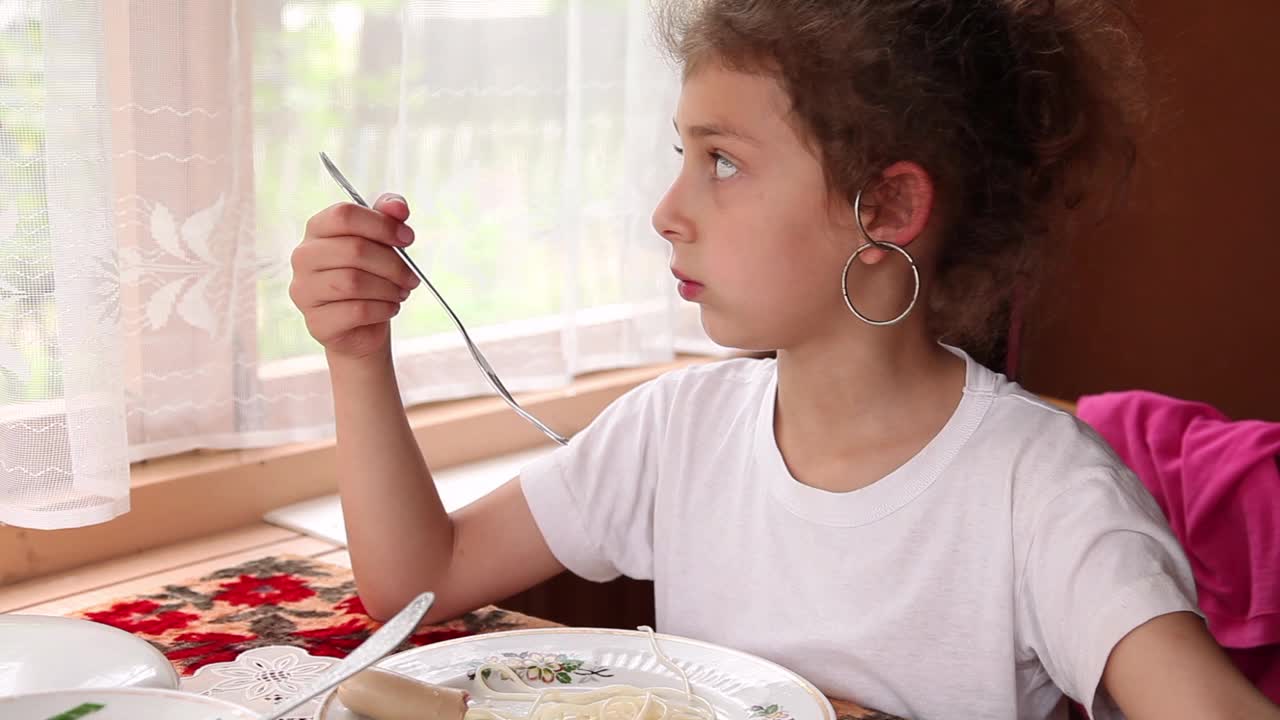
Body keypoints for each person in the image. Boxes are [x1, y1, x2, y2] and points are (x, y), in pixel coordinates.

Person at [289, 1, 1280, 717]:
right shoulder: (674, 431)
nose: (666, 211)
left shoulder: (1043, 488)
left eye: (719, 161)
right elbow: (415, 579)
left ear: (883, 211)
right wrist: (356, 353)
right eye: (680, 153)